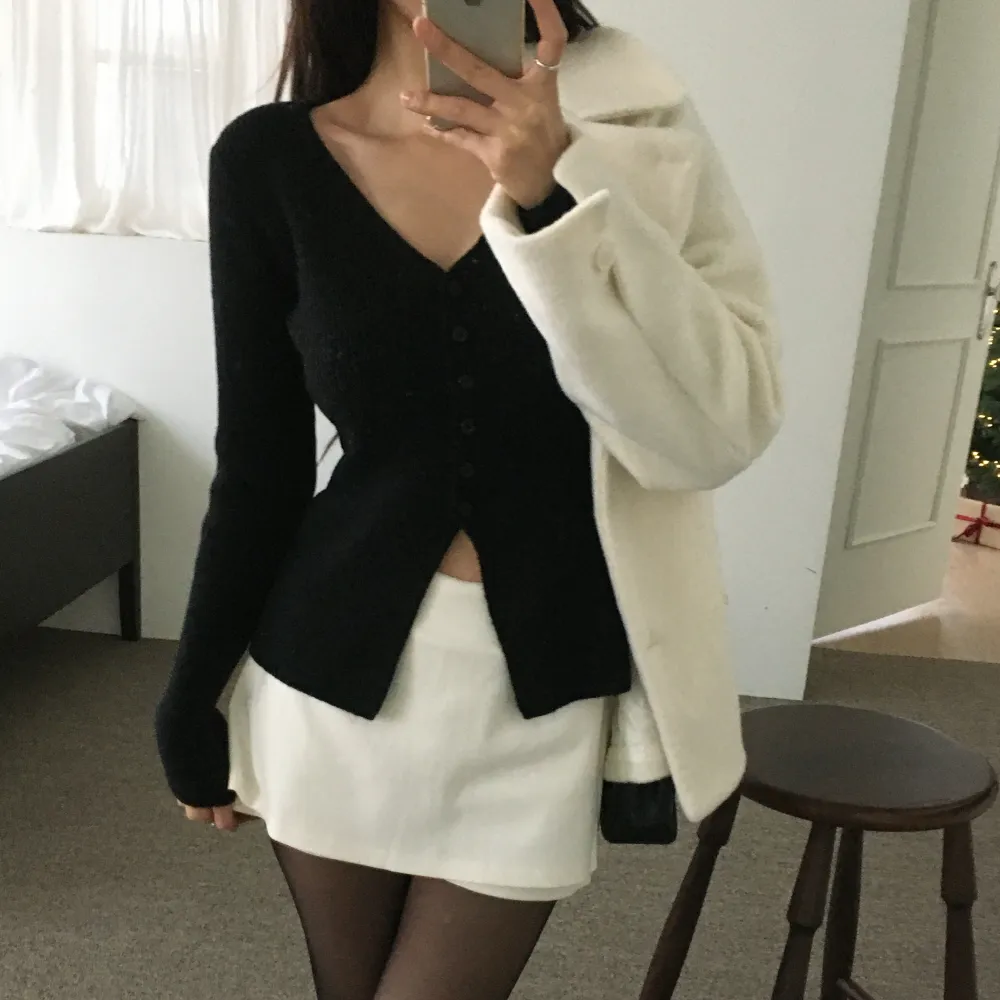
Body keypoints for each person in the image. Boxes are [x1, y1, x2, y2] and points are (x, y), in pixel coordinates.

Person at [154, 0, 783, 997]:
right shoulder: (269, 160)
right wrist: (191, 694)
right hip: (329, 680)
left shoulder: (636, 134)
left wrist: (552, 192)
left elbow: (721, 425)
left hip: (537, 690)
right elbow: (260, 468)